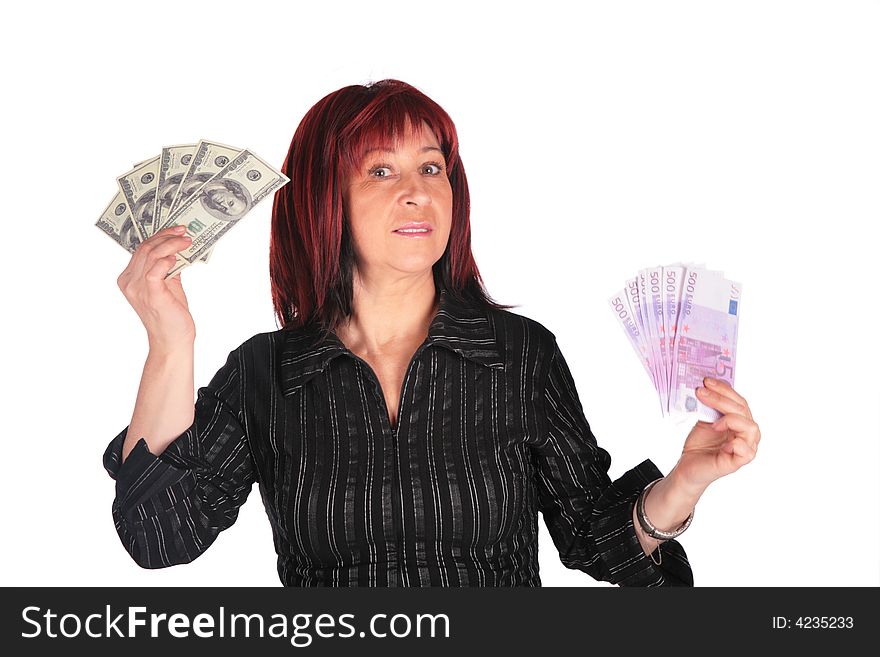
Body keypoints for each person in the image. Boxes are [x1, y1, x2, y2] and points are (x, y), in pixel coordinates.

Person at [105, 79, 760, 587]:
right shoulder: (264, 374)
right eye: (381, 171)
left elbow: (591, 535)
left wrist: (686, 479)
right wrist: (170, 343)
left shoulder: (520, 355)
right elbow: (158, 536)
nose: (417, 191)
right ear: (323, 197)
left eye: (432, 167)